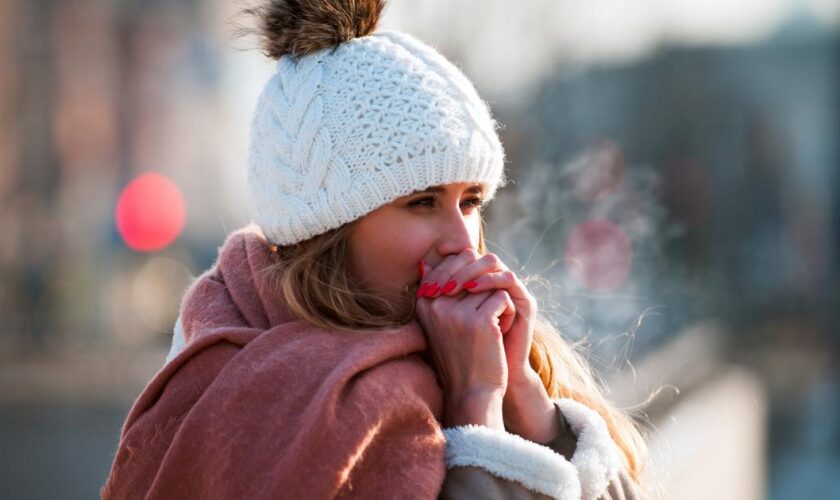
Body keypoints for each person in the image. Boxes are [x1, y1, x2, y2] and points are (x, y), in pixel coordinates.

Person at [102, 0, 647, 498]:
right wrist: (476, 414)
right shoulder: (243, 388)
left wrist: (529, 404)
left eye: (471, 201)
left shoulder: (495, 357)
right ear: (329, 232)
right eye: (422, 202)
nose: (461, 240)